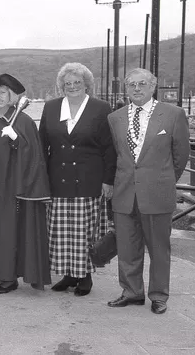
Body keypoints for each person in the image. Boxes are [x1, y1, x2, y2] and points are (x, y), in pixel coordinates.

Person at [107, 68, 189, 314]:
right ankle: (131, 292)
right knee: (127, 248)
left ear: (153, 86)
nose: (136, 89)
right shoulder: (115, 118)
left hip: (157, 193)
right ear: (126, 88)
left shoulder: (174, 114)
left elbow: (180, 155)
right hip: (124, 193)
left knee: (159, 249)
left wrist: (162, 180)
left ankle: (159, 295)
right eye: (131, 84)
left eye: (142, 84)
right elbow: (117, 155)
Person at [0, 74, 51, 293]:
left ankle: (8, 278)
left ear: (11, 95)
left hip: (10, 188)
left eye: (2, 93)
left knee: (7, 233)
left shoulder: (23, 121)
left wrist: (17, 140)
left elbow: (34, 157)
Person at [39, 62, 116, 297]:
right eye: (67, 83)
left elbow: (109, 148)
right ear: (61, 86)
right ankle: (69, 274)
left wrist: (108, 180)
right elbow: (42, 146)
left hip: (89, 179)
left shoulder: (101, 108)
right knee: (61, 232)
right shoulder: (51, 108)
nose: (72, 86)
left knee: (85, 231)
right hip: (58, 179)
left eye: (77, 82)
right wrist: (40, 180)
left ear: (86, 85)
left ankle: (84, 276)